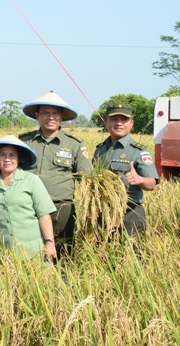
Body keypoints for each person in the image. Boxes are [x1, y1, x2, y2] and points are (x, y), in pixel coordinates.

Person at [19, 91, 93, 258]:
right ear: (37, 116)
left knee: (62, 253)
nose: (50, 117)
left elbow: (87, 179)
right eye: (45, 113)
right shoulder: (24, 142)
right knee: (29, 251)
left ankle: (63, 282)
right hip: (28, 206)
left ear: (62, 117)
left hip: (61, 209)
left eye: (55, 113)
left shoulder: (74, 144)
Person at [0, 136, 57, 259]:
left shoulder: (31, 180)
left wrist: (50, 242)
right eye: (2, 155)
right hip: (2, 253)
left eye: (12, 155)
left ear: (19, 158)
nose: (7, 159)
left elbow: (44, 215)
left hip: (34, 252)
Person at [93, 102, 159, 237]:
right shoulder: (100, 150)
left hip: (129, 213)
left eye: (124, 119)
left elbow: (151, 184)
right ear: (105, 122)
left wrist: (139, 179)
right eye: (114, 119)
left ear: (132, 123)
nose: (119, 123)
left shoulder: (139, 151)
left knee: (131, 254)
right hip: (103, 211)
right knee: (103, 254)